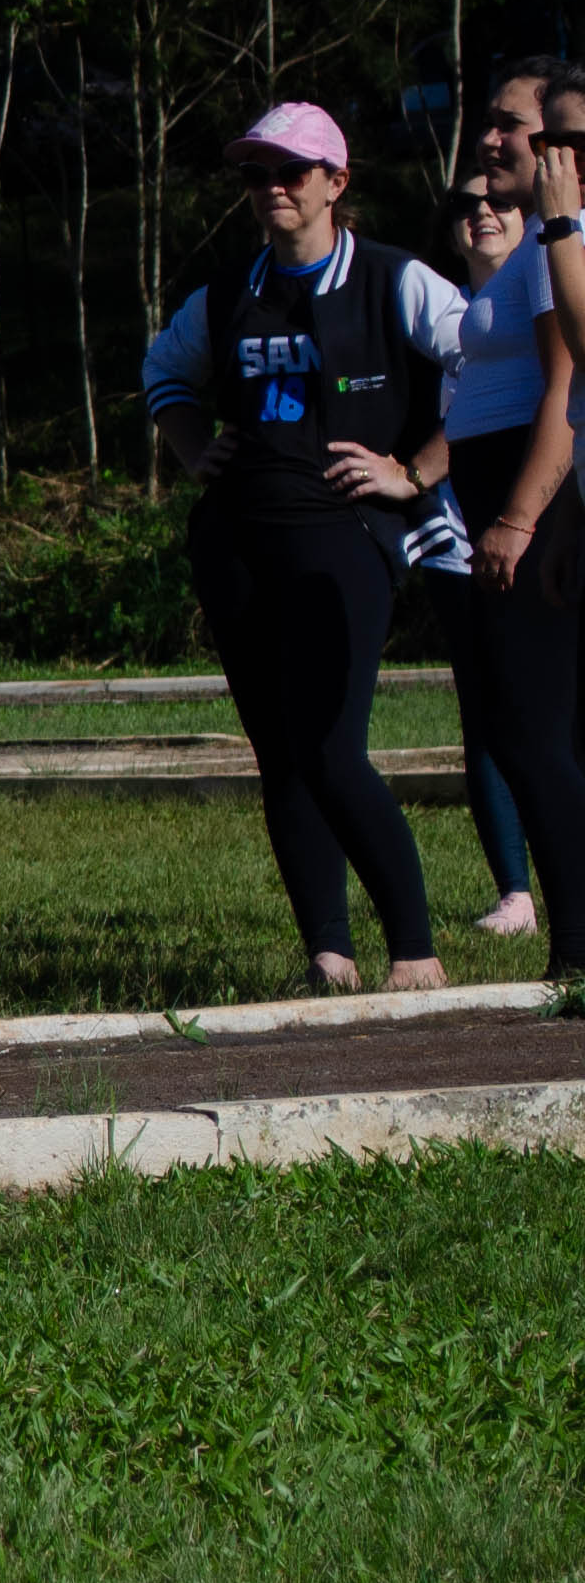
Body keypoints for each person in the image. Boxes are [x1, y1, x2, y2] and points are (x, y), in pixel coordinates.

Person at [144, 101, 467, 991]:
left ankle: (415, 952)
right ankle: (329, 952)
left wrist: (417, 469)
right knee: (281, 754)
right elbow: (163, 372)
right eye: (257, 175)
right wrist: (192, 449)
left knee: (331, 747)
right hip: (240, 542)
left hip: (343, 539)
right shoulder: (227, 293)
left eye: (291, 172)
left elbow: (486, 364)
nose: (272, 189)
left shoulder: (394, 279)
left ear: (336, 182)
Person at [432, 137, 564, 940]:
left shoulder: (543, 279)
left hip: (529, 532)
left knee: (539, 721)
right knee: (490, 721)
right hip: (456, 543)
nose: (481, 212)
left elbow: (564, 391)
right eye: (465, 204)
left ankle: (564, 906)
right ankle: (518, 891)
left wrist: (518, 518)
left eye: (497, 201)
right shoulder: (448, 313)